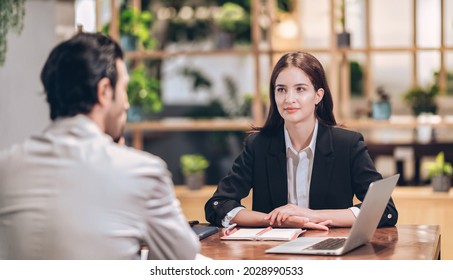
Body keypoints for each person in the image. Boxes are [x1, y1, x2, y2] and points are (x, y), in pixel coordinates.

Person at [0, 32, 200, 259]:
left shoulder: (6, 166)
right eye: (124, 89)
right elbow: (181, 260)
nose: (126, 104)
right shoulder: (141, 171)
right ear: (105, 91)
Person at [205, 51, 398, 230]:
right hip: (273, 255)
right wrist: (275, 219)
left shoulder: (347, 144)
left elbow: (384, 210)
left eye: (300, 89)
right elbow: (218, 205)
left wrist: (311, 216)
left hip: (330, 254)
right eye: (281, 90)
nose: (289, 98)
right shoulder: (258, 145)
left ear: (318, 95)